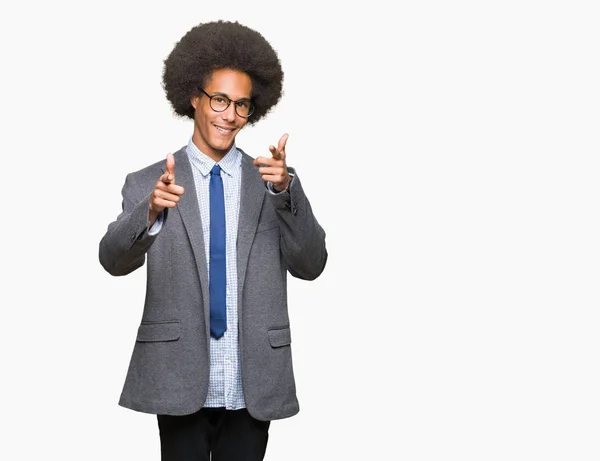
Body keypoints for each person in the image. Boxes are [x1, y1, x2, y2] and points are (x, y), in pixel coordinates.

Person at [98, 20, 327, 461]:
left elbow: (311, 264)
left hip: (252, 375)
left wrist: (286, 192)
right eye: (220, 99)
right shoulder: (148, 182)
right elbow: (113, 260)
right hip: (179, 375)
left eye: (242, 105)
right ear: (194, 98)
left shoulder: (273, 182)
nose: (229, 115)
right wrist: (148, 212)